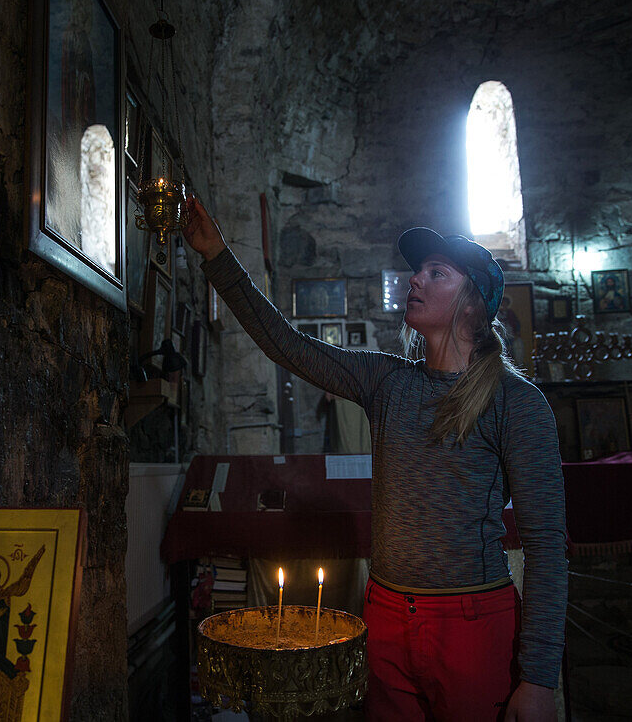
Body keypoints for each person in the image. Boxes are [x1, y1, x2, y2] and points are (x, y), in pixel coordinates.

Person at [184, 199, 566, 721]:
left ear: (473, 304)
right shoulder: (388, 382)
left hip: (472, 625)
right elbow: (287, 346)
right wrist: (216, 256)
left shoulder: (516, 403)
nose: (415, 281)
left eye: (436, 272)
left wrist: (539, 678)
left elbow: (546, 546)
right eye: (416, 271)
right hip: (385, 616)